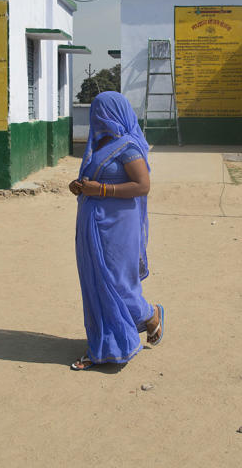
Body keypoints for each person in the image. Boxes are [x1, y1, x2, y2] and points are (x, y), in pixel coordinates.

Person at [67, 91, 163, 370]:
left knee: (117, 284)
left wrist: (103, 190)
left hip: (118, 229)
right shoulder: (98, 146)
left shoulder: (128, 147)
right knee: (96, 284)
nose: (96, 118)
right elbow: (94, 179)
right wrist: (80, 186)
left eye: (101, 112)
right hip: (93, 228)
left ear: (114, 114)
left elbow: (142, 186)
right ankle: (105, 345)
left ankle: (150, 315)